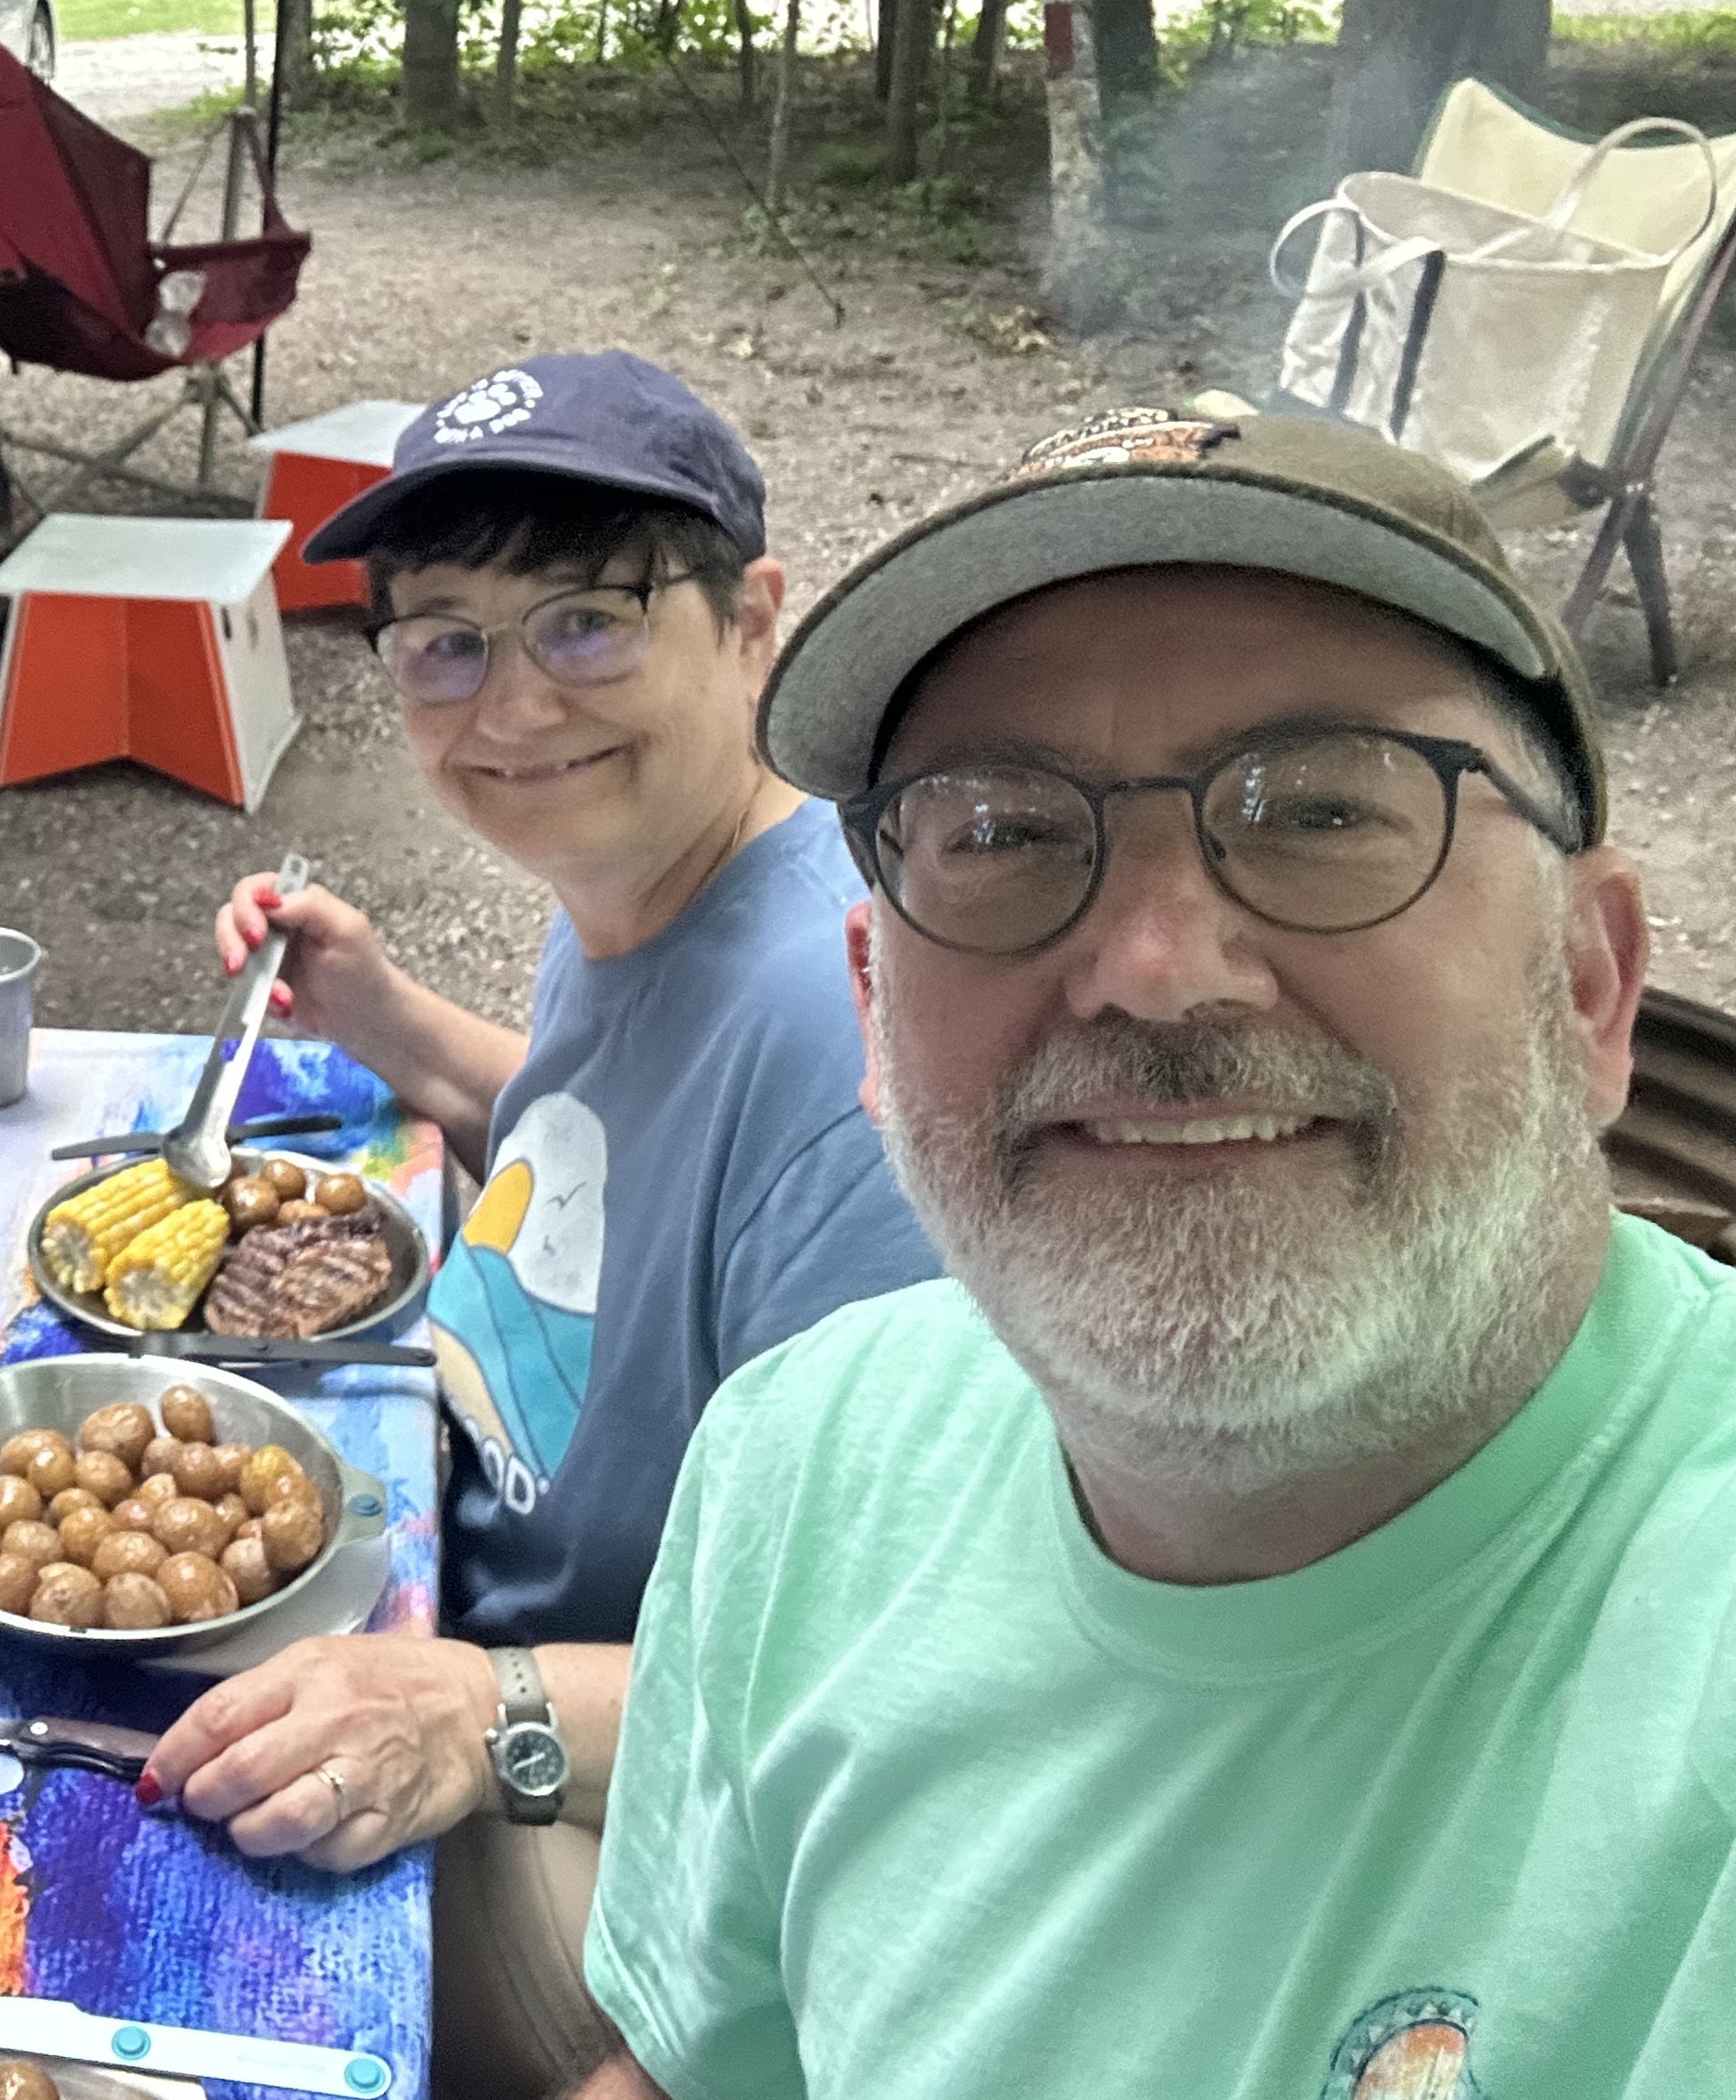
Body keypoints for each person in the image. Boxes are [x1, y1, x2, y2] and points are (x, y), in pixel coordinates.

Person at [575, 409, 1736, 2100]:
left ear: (1588, 978)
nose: (1156, 964)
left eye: (1320, 807)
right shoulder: (797, 1466)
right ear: (873, 1014)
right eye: (1002, 830)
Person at [138, 352, 940, 2093]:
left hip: (657, 1810)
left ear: (753, 626)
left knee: (167, 1936)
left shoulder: (854, 1054)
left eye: (585, 619)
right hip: (463, 1580)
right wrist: (395, 1023)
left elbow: (901, 1674)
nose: (509, 708)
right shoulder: (641, 878)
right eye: (444, 639)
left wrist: (480, 1709)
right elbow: (604, 1152)